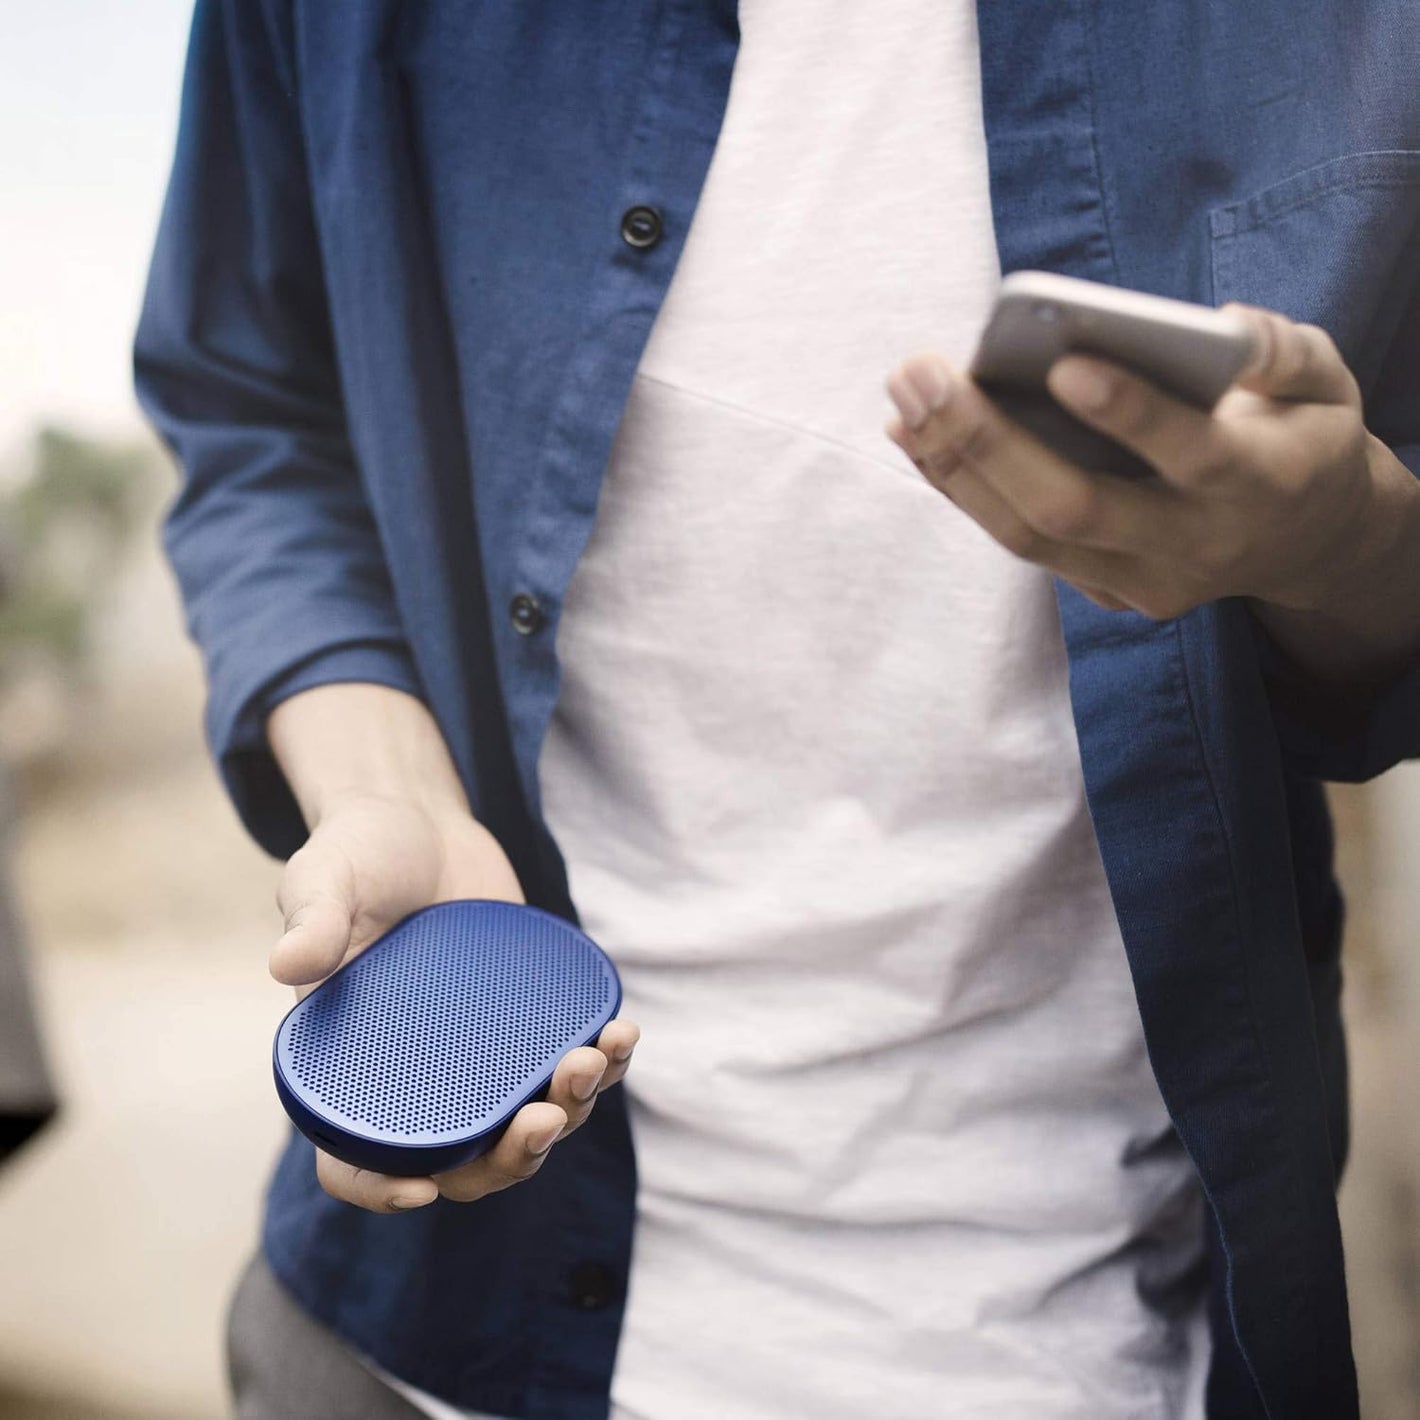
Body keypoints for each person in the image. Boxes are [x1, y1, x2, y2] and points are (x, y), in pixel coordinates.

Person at [133, 2, 1420, 1417]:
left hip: (1097, 1341)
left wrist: (1340, 540)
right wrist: (391, 786)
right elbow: (255, 413)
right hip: (414, 1355)